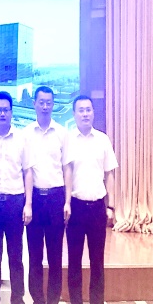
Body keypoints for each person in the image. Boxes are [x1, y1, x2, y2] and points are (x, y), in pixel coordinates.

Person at [63, 95, 117, 304]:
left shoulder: (103, 140)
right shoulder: (69, 140)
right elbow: (67, 172)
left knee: (97, 261)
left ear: (93, 112)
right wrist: (67, 202)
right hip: (76, 208)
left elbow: (109, 174)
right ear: (74, 114)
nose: (85, 114)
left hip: (97, 209)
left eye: (88, 110)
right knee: (74, 261)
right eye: (81, 110)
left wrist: (111, 206)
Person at [0, 92, 31, 304]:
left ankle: (17, 298)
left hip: (15, 203)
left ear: (11, 112)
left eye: (6, 110)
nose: (2, 114)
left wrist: (28, 204)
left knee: (16, 255)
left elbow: (27, 172)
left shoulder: (21, 139)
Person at [22, 86, 67, 304]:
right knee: (35, 255)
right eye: (41, 102)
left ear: (53, 104)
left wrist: (68, 201)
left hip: (57, 199)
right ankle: (37, 299)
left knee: (55, 255)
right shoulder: (26, 134)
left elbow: (67, 169)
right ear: (34, 104)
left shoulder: (62, 133)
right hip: (35, 200)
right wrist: (28, 203)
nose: (45, 106)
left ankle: (53, 299)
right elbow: (26, 170)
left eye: (49, 102)